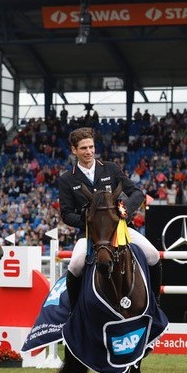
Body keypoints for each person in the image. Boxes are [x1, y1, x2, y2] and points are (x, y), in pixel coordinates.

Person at [56, 126, 161, 307]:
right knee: (75, 265)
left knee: (153, 255)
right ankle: (74, 310)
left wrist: (123, 211)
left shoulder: (111, 169)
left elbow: (137, 193)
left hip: (120, 229)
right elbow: (66, 214)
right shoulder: (67, 179)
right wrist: (89, 220)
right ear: (74, 150)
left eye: (91, 147)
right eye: (83, 148)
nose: (88, 152)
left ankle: (155, 302)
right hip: (89, 233)